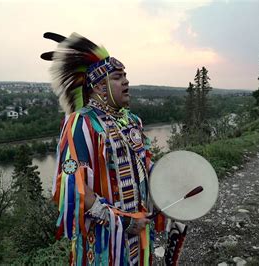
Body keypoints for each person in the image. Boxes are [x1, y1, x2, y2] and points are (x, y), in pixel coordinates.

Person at [41, 32, 186, 265]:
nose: (126, 81)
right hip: (103, 240)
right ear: (99, 87)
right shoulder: (82, 123)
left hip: (138, 232)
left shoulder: (132, 121)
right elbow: (73, 183)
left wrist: (171, 180)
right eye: (118, 77)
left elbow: (144, 165)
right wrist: (122, 222)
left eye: (126, 76)